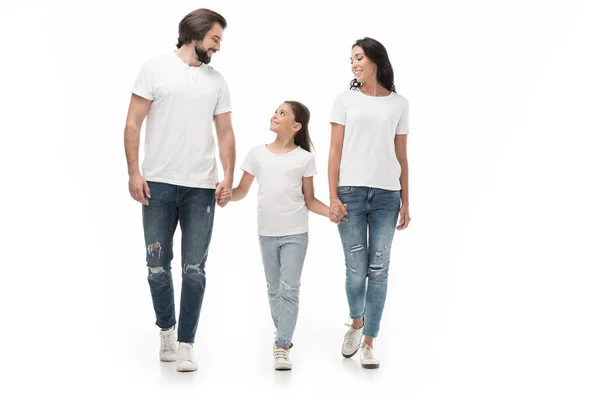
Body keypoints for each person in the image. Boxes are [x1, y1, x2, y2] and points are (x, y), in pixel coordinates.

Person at [123, 8, 235, 372]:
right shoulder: (154, 68)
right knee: (157, 266)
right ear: (196, 33)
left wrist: (228, 175)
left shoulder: (217, 81)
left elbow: (225, 133)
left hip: (201, 188)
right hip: (157, 184)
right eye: (215, 38)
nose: (218, 46)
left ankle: (186, 343)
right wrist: (134, 172)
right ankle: (166, 330)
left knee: (194, 269)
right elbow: (133, 123)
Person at [230, 101, 346, 370]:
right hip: (267, 233)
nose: (275, 115)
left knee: (289, 288)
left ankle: (282, 345)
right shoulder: (257, 154)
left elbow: (309, 200)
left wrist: (332, 211)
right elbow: (241, 191)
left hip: (296, 233)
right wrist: (223, 195)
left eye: (282, 113)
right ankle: (283, 334)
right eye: (275, 111)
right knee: (273, 289)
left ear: (296, 126)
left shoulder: (304, 158)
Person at [328, 37, 412, 369]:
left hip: (387, 196)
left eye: (359, 58)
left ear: (376, 60)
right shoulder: (344, 100)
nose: (354, 64)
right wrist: (332, 195)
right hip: (350, 193)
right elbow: (334, 151)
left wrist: (407, 200)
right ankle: (356, 321)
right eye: (351, 60)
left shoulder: (399, 104)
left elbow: (402, 156)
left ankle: (369, 341)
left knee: (378, 270)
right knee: (355, 269)